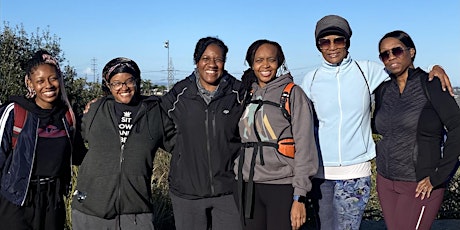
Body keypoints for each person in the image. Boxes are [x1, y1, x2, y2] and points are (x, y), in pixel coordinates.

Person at [301, 15, 453, 230]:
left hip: (355, 174)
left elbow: (402, 69)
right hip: (321, 174)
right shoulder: (311, 79)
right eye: (325, 42)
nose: (332, 47)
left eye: (339, 40)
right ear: (318, 46)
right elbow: (302, 124)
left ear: (347, 43)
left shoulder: (367, 71)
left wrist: (434, 68)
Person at [373, 30, 460, 230]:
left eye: (396, 51)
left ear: (411, 52)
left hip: (420, 183)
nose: (391, 57)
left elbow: (457, 127)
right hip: (386, 181)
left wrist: (439, 176)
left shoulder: (431, 85)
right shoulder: (384, 91)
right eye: (384, 54)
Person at [71, 57, 167, 229]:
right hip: (91, 211)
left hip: (137, 212)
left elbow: (181, 145)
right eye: (116, 83)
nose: (123, 87)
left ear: (137, 81)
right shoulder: (95, 111)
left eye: (129, 81)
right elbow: (73, 142)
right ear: (108, 86)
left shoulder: (154, 113)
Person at [160, 36, 244, 230]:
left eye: (218, 59)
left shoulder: (238, 93)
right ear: (196, 60)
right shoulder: (179, 94)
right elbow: (158, 120)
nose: (212, 64)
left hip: (228, 191)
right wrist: (182, 147)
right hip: (187, 193)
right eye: (206, 58)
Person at [235, 39, 318, 230]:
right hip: (248, 185)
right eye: (259, 60)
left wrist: (300, 195)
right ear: (251, 64)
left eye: (271, 60)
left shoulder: (293, 94)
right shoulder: (246, 93)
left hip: (282, 185)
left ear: (279, 62)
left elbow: (305, 146)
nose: (265, 65)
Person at [0, 50, 85, 230]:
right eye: (40, 81)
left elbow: (79, 156)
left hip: (53, 202)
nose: (48, 85)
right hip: (17, 200)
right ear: (30, 83)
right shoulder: (15, 112)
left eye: (53, 78)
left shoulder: (67, 116)